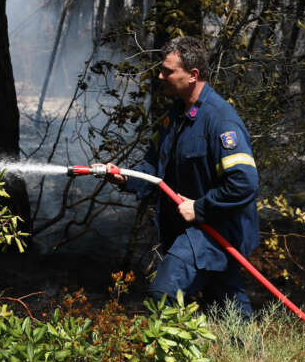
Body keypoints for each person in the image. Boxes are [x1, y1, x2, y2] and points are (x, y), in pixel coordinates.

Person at [105, 36, 259, 319]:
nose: (160, 75)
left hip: (216, 230)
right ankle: (251, 358)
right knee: (226, 307)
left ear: (193, 75)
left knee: (163, 293)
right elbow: (155, 169)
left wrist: (199, 207)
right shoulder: (174, 116)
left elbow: (244, 183)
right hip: (193, 231)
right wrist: (125, 178)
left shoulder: (220, 120)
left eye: (168, 70)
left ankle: (164, 360)